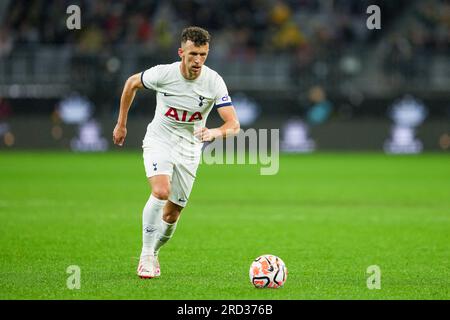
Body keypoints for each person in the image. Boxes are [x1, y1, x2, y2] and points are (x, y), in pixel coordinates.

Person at [112, 26, 240, 279]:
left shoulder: (213, 81)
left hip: (189, 150)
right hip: (160, 140)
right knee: (160, 191)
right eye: (193, 54)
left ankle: (155, 251)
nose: (198, 61)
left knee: (171, 214)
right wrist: (121, 123)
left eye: (203, 55)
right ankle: (146, 254)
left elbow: (233, 124)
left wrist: (214, 133)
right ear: (181, 52)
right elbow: (131, 84)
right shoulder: (164, 74)